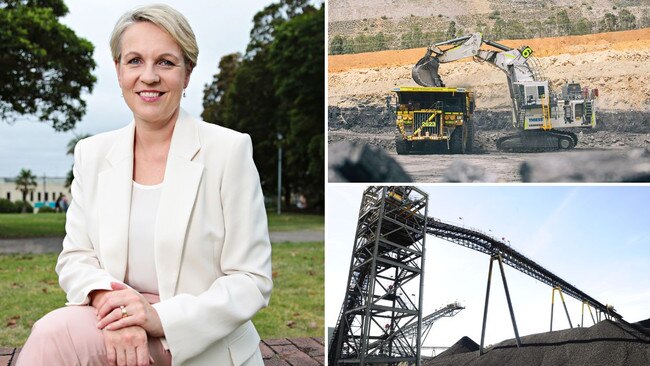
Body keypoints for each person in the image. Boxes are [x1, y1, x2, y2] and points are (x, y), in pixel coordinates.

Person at [17, 4, 272, 366]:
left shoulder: (227, 150)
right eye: (135, 60)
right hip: (112, 324)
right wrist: (117, 309)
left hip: (200, 341)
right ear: (119, 70)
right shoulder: (92, 153)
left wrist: (158, 319)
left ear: (187, 74)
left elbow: (251, 280)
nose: (148, 76)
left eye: (166, 62)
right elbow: (76, 258)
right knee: (51, 334)